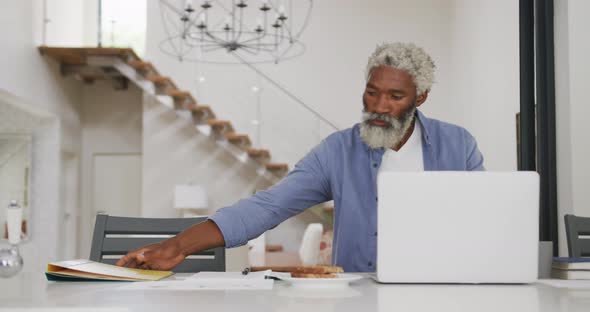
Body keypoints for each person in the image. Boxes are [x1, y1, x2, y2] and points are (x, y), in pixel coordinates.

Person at [116, 42, 484, 272]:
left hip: (442, 290)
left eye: (394, 96)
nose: (379, 106)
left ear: (420, 98)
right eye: (371, 93)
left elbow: (482, 223)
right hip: (358, 297)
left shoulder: (458, 145)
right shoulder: (338, 151)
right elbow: (268, 207)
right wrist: (175, 246)